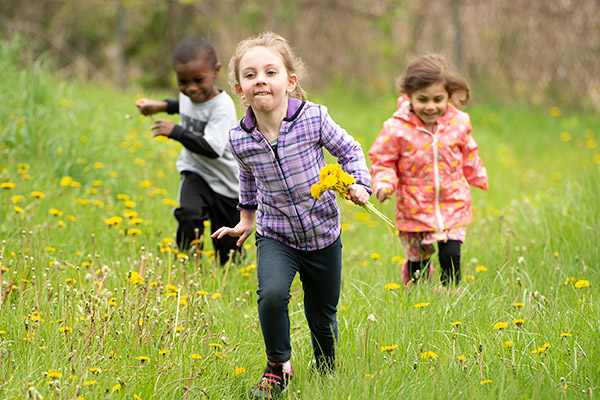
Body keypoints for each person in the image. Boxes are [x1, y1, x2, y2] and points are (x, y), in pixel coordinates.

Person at [211, 32, 371, 398]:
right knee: (271, 294)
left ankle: (326, 367)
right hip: (276, 234)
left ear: (290, 81)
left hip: (322, 234)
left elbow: (350, 150)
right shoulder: (240, 138)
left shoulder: (314, 119)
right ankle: (278, 366)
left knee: (322, 316)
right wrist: (246, 221)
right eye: (250, 75)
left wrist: (359, 183)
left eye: (271, 72)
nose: (261, 80)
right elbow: (248, 179)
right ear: (240, 88)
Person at [368, 54, 488, 287]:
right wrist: (384, 183)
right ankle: (416, 290)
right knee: (419, 262)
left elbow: (468, 151)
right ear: (408, 96)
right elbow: (383, 159)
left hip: (452, 201)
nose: (431, 106)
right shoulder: (396, 128)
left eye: (438, 99)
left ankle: (450, 295)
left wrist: (476, 174)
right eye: (422, 99)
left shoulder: (459, 123)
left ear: (448, 96)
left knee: (451, 254)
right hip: (414, 205)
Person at [135, 36, 241, 265]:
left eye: (198, 80)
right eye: (183, 81)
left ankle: (229, 270)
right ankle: (185, 260)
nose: (190, 88)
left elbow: (212, 148)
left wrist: (176, 132)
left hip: (226, 182)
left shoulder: (222, 108)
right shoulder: (188, 95)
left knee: (229, 253)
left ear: (216, 71)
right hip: (196, 171)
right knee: (189, 214)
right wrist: (160, 106)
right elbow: (184, 104)